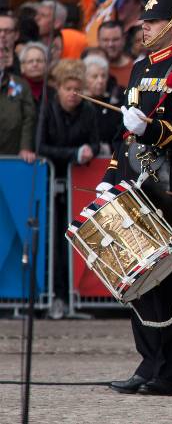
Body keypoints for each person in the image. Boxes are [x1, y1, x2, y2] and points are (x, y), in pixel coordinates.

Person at [100, 0, 172, 397]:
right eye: (144, 22)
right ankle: (148, 362)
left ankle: (168, 371)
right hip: (136, 181)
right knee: (139, 279)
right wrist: (112, 177)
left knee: (168, 282)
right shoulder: (141, 68)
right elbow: (123, 135)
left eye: (152, 21)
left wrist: (152, 129)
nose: (143, 28)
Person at [37, 59, 100, 319]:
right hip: (50, 183)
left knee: (74, 240)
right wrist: (73, 153)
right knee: (52, 242)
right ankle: (56, 295)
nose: (73, 94)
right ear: (58, 89)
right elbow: (41, 146)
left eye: (77, 88)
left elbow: (95, 143)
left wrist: (89, 151)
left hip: (78, 186)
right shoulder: (47, 111)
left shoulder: (88, 111)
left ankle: (74, 295)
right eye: (68, 89)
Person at [83, 53, 124, 156]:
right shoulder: (79, 102)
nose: (100, 81)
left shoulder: (115, 101)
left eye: (103, 76)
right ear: (84, 78)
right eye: (94, 76)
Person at [0, 50, 35, 162]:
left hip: (13, 156)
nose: (0, 55)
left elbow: (29, 118)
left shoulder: (19, 84)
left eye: (2, 51)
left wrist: (25, 147)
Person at [97, 21, 134, 88]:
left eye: (115, 39)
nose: (110, 44)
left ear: (123, 40)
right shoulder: (88, 68)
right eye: (105, 40)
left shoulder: (135, 70)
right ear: (98, 41)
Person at [18, 42, 48, 111]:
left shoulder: (53, 93)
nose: (35, 64)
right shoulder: (15, 90)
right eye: (30, 61)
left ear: (46, 65)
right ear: (22, 67)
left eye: (39, 61)